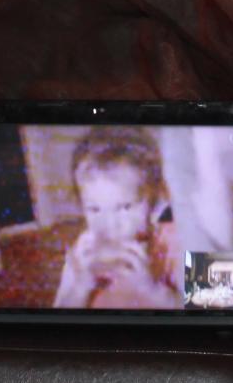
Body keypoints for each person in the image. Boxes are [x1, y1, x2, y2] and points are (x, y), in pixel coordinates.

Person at [53, 126, 185, 309]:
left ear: (153, 199)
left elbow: (221, 308)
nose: (109, 225)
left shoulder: (178, 240)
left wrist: (152, 290)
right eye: (94, 209)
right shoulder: (80, 257)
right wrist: (80, 287)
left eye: (125, 207)